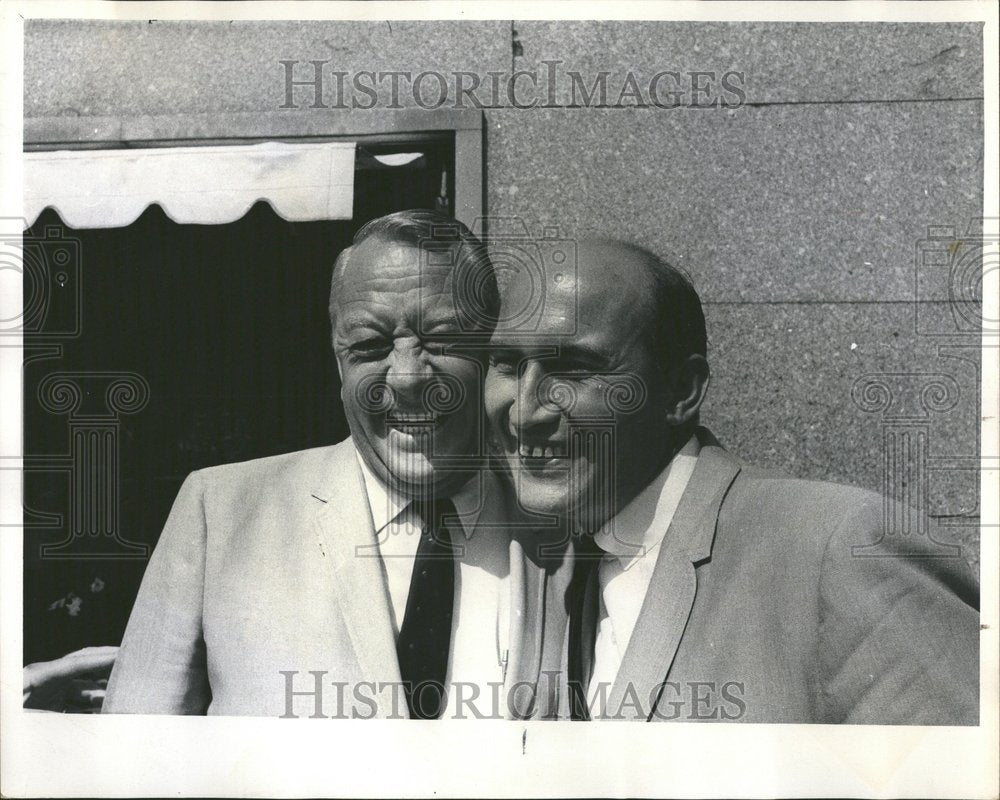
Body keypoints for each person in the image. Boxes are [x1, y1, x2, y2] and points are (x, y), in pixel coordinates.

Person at [484, 237, 979, 723]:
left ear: (680, 392)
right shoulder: (557, 568)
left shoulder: (847, 546)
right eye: (507, 365)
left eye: (571, 370)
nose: (525, 413)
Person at [103, 210, 570, 718]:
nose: (408, 377)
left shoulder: (561, 524)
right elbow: (132, 758)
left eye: (441, 342)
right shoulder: (220, 512)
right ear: (338, 361)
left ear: (490, 354)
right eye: (370, 347)